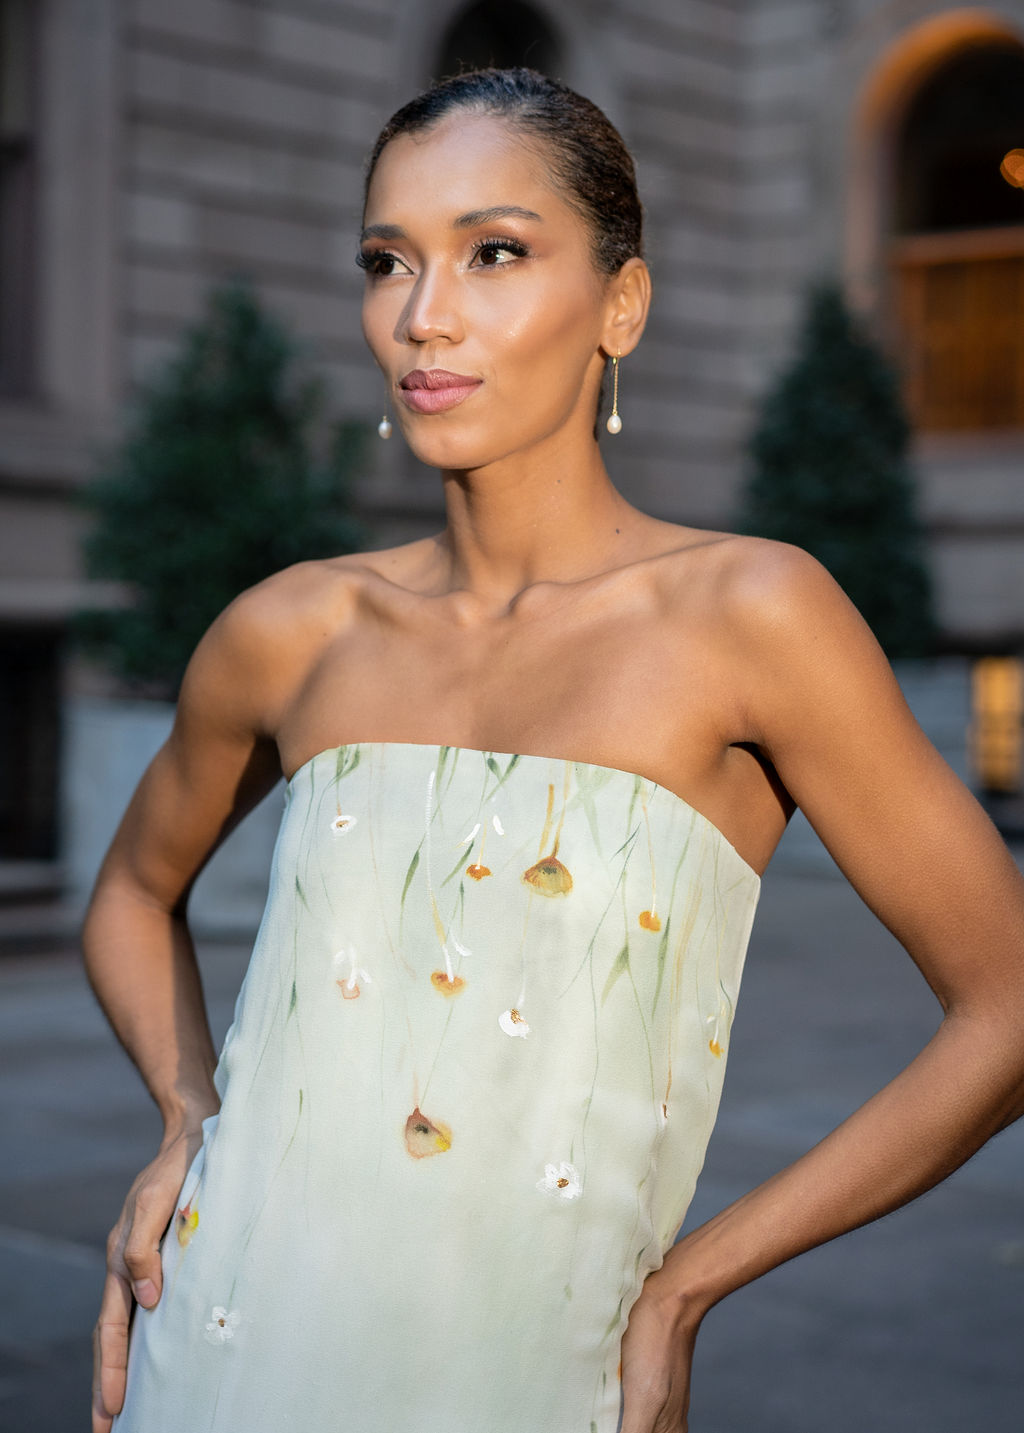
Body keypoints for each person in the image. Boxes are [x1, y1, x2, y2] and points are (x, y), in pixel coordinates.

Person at [86, 67, 1024, 1433]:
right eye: (385, 261)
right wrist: (185, 1116)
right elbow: (128, 888)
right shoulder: (292, 630)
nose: (424, 315)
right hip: (218, 1352)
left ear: (620, 305)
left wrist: (689, 1285)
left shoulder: (753, 618)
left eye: (495, 252)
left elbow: (1007, 1009)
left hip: (538, 1378)